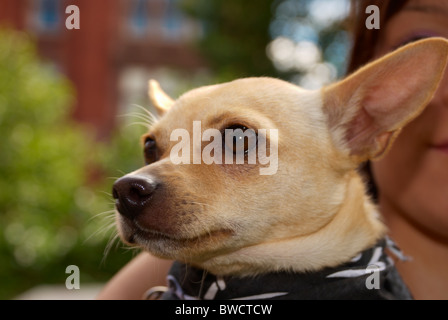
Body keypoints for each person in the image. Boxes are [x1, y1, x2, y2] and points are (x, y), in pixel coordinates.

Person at [97, 0, 448, 300]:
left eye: (236, 140)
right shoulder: (172, 275)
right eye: (154, 151)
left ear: (363, 122)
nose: (139, 181)